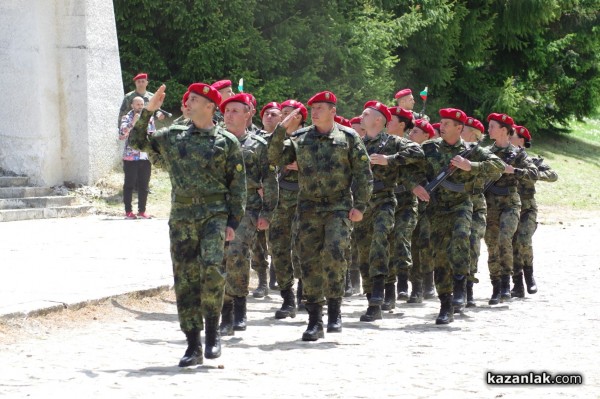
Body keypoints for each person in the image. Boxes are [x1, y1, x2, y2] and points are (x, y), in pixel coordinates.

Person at [128, 83, 246, 367]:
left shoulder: (227, 142)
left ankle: (213, 333)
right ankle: (193, 343)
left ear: (209, 106)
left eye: (195, 100)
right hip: (182, 215)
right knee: (186, 278)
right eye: (189, 99)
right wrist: (149, 110)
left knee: (213, 273)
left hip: (214, 215)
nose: (188, 103)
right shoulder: (174, 136)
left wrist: (233, 221)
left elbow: (237, 186)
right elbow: (137, 141)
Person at [268, 90, 373, 341]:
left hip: (338, 207)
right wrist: (282, 129)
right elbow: (272, 157)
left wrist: (360, 206)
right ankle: (315, 319)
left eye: (320, 108)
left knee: (335, 253)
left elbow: (363, 173)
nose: (314, 112)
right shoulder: (301, 137)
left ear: (333, 111)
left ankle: (335, 310)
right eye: (312, 108)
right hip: (308, 208)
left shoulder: (348, 137)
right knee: (308, 261)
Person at [394, 108, 504, 324]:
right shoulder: (428, 148)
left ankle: (461, 286)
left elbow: (498, 166)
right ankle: (446, 303)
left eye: (447, 124)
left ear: (459, 128)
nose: (441, 127)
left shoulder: (472, 151)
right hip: (435, 209)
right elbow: (406, 168)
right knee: (440, 256)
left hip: (461, 205)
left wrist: (470, 166)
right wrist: (414, 185)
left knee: (461, 240)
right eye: (441, 123)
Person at [218, 94, 278, 335]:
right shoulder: (216, 142)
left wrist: (268, 212)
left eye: (235, 110)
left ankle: (238, 310)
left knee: (237, 255)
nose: (229, 115)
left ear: (248, 114)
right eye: (226, 111)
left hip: (247, 209)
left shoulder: (258, 146)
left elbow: (270, 180)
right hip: (217, 209)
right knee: (219, 259)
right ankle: (224, 311)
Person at [355, 101, 412, 321]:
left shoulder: (393, 142)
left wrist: (390, 160)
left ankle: (379, 295)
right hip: (362, 203)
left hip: (384, 200)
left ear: (378, 120)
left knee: (380, 241)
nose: (361, 116)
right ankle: (372, 300)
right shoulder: (357, 144)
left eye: (366, 113)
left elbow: (417, 154)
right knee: (363, 251)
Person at [483, 113, 539, 305]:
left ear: (504, 130)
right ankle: (496, 286)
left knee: (504, 238)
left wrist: (514, 170)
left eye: (492, 126)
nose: (488, 129)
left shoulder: (518, 153)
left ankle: (507, 284)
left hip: (510, 202)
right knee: (491, 244)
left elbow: (533, 174)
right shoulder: (485, 152)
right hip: (489, 204)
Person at [269, 99, 307, 318]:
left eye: (287, 113)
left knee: (304, 247)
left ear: (299, 117)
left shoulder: (311, 139)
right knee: (279, 247)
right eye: (281, 112)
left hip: (304, 197)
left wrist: (306, 166)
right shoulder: (275, 138)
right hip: (280, 197)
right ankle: (287, 297)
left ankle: (304, 291)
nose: (282, 116)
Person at [510, 125, 557, 297]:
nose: (508, 137)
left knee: (523, 240)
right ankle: (517, 284)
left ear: (521, 140)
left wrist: (532, 175)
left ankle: (529, 276)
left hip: (527, 209)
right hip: (508, 208)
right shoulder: (503, 159)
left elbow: (553, 174)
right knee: (511, 244)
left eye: (512, 135)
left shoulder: (531, 162)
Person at [385, 106, 420, 306]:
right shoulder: (381, 143)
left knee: (401, 238)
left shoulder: (409, 145)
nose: (387, 122)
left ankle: (404, 284)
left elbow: (416, 155)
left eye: (392, 119)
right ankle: (389, 291)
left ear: (402, 124)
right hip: (385, 200)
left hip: (406, 203)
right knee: (386, 242)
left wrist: (388, 160)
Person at [251, 101, 283, 298]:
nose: (269, 117)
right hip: (257, 197)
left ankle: (276, 277)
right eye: (266, 114)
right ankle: (262, 281)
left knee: (278, 241)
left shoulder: (287, 140)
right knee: (257, 241)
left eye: (274, 114)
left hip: (283, 197)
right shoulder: (253, 139)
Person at [406, 119, 436, 303]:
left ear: (427, 135)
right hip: (409, 204)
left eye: (416, 132)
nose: (411, 134)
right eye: (411, 131)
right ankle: (415, 287)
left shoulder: (432, 153)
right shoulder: (405, 152)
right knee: (412, 245)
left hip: (429, 206)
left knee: (425, 244)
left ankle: (428, 281)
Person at [460, 117, 489, 307]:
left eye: (464, 129)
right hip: (455, 204)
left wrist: (471, 166)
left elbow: (496, 168)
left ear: (473, 134)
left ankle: (468, 288)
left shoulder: (481, 154)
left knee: (472, 244)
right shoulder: (452, 150)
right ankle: (457, 286)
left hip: (476, 204)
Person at [118, 96, 156, 219]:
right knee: (129, 184)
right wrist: (133, 122)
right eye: (137, 104)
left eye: (141, 104)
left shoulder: (149, 118)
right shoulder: (126, 118)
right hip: (131, 157)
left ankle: (142, 211)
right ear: (132, 106)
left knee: (144, 185)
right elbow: (122, 134)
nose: (140, 107)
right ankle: (128, 211)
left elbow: (152, 134)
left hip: (145, 156)